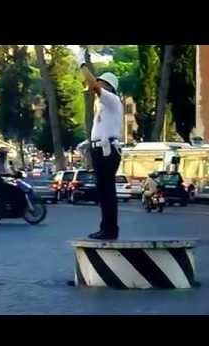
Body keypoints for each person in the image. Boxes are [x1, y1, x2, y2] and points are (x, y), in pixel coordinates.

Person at [77, 48, 123, 240]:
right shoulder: (103, 105)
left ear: (108, 86)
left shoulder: (111, 99)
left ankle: (110, 229)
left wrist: (81, 63)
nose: (97, 85)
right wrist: (88, 143)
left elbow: (92, 84)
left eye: (101, 82)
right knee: (103, 191)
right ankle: (106, 227)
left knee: (107, 191)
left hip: (107, 150)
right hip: (101, 149)